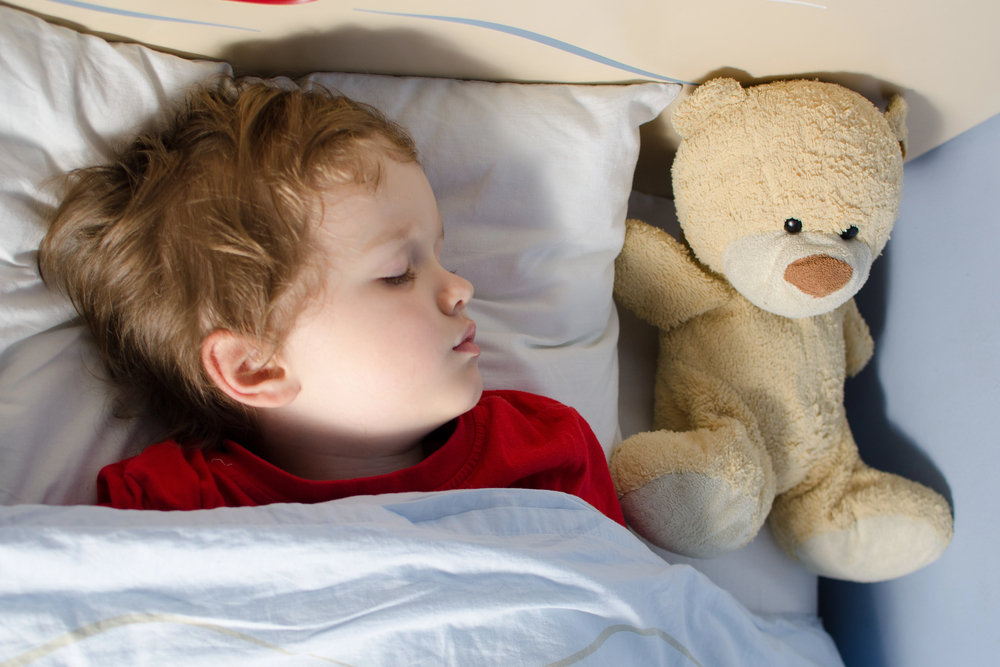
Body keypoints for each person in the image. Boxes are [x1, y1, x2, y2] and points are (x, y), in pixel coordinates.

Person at [37, 78, 624, 524]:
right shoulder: (170, 507)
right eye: (399, 273)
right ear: (255, 365)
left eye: (441, 255)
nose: (459, 287)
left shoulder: (543, 453)